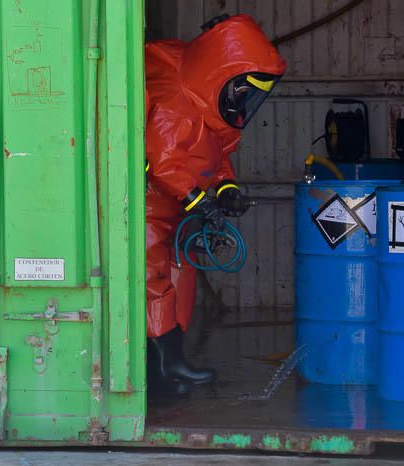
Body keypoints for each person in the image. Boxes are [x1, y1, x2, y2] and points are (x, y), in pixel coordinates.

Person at [144, 14, 286, 395]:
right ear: (219, 74)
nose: (247, 102)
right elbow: (164, 163)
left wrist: (225, 190)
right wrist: (197, 201)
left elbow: (217, 155)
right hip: (149, 211)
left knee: (181, 274)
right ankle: (162, 365)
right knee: (151, 279)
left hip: (178, 212)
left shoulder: (211, 109)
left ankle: (171, 362)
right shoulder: (176, 102)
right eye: (245, 91)